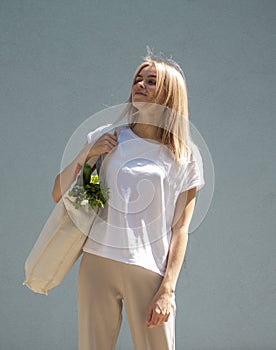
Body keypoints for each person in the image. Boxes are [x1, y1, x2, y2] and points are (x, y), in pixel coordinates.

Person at [52, 54, 205, 350]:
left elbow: (181, 228)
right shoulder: (105, 137)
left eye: (151, 81)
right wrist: (88, 155)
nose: (140, 85)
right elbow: (58, 193)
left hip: (148, 268)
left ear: (170, 93)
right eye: (138, 79)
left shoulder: (185, 156)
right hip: (98, 260)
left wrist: (168, 289)